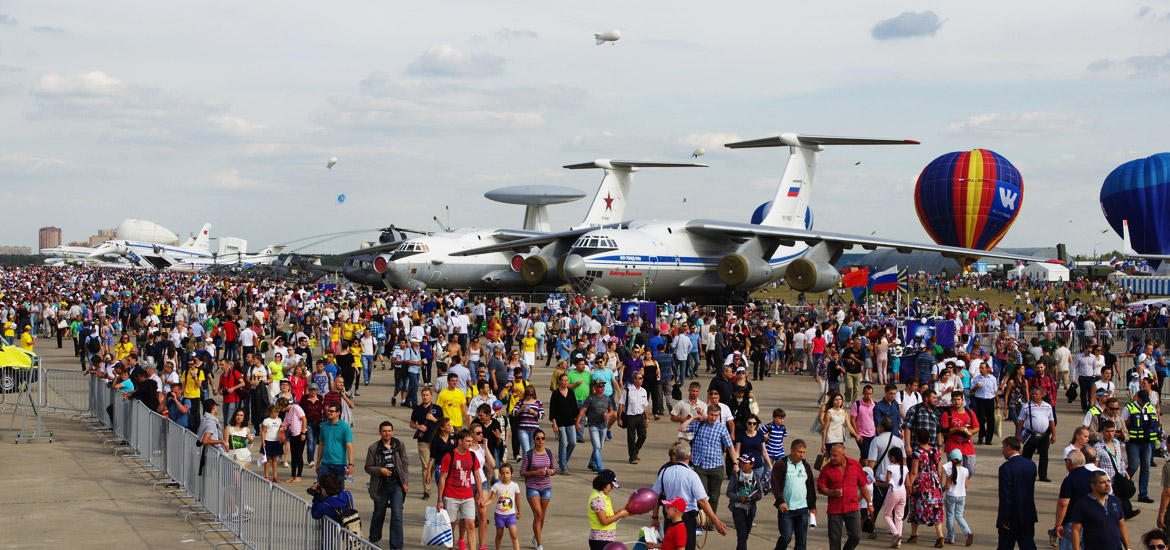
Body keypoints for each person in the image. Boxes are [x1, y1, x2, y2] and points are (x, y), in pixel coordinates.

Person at [651, 441, 729, 550]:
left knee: (669, 545)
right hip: (686, 518)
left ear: (676, 456)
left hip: (669, 515)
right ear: (691, 457)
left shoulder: (665, 471)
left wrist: (654, 517)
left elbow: (655, 495)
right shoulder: (692, 475)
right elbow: (702, 501)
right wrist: (716, 521)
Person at [681, 403, 740, 511]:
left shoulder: (721, 429)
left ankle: (711, 521)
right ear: (707, 414)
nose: (713, 418)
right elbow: (681, 428)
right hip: (700, 466)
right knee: (701, 495)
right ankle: (700, 520)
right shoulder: (699, 424)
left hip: (716, 466)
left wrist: (735, 463)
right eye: (712, 415)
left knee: (714, 496)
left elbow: (730, 447)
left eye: (716, 415)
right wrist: (695, 417)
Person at [816, 442, 873, 550]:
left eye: (835, 455)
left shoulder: (855, 465)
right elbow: (821, 487)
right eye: (831, 454)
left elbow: (862, 485)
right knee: (834, 539)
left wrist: (869, 503)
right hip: (835, 509)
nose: (831, 457)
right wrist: (832, 492)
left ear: (843, 455)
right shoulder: (826, 468)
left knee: (856, 535)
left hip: (852, 507)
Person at [364, 420, 408, 549]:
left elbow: (405, 464)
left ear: (392, 431)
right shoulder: (373, 448)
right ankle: (374, 538)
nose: (387, 433)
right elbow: (368, 467)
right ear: (380, 432)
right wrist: (380, 470)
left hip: (397, 485)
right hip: (381, 485)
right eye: (384, 431)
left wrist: (405, 482)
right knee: (379, 512)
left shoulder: (399, 445)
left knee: (397, 515)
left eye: (389, 431)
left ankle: (396, 546)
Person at [437, 428, 484, 550]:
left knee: (471, 526)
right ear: (459, 441)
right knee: (451, 526)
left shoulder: (472, 456)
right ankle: (451, 547)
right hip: (451, 496)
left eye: (471, 441)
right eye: (468, 441)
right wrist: (439, 499)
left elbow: (477, 476)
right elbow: (442, 479)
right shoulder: (449, 456)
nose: (470, 443)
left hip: (468, 496)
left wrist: (481, 496)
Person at [1069, 470, 1132, 550]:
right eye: (1102, 482)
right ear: (1093, 486)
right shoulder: (1082, 504)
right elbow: (1076, 530)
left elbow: (1122, 526)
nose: (1107, 485)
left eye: (1108, 481)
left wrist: (1128, 548)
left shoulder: (1115, 501)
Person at [772, 438, 817, 550]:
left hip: (802, 509)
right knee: (786, 537)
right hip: (786, 509)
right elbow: (775, 484)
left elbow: (810, 486)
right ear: (792, 451)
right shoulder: (781, 464)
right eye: (799, 452)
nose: (802, 455)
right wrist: (780, 501)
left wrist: (812, 507)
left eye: (803, 452)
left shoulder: (805, 466)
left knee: (801, 540)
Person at [997, 436, 1039, 550]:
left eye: (1003, 448)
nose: (1002, 451)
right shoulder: (1031, 465)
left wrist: (1004, 518)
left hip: (1012, 517)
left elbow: (1006, 495)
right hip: (1027, 513)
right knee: (1028, 544)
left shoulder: (1005, 468)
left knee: (1005, 546)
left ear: (1008, 448)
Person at [906, 428, 945, 547]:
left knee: (916, 506)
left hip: (922, 483)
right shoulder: (936, 452)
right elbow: (940, 470)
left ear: (917, 439)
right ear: (929, 438)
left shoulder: (917, 454)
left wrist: (909, 486)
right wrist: (939, 485)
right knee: (936, 509)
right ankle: (940, 536)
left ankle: (914, 534)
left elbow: (914, 472)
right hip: (934, 483)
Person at [520, 428, 556, 550]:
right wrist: (535, 472)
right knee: (538, 514)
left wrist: (551, 471)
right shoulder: (529, 454)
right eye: (538, 439)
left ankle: (536, 537)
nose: (541, 441)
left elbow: (554, 469)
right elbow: (522, 472)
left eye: (543, 438)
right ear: (534, 440)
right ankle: (539, 544)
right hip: (532, 486)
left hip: (546, 487)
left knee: (542, 516)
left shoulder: (550, 453)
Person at [1126, 389, 1160, 503]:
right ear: (1138, 398)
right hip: (1133, 442)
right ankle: (1122, 487)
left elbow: (1154, 423)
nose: (1145, 403)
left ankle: (1143, 494)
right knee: (1133, 467)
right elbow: (1122, 423)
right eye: (1143, 400)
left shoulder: (1150, 408)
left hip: (1146, 443)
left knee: (1146, 468)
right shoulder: (1129, 407)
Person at [725, 455, 766, 550]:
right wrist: (739, 498)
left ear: (751, 465)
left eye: (744, 463)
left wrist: (756, 497)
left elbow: (759, 494)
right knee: (742, 536)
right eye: (741, 462)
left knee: (745, 536)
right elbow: (729, 492)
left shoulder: (755, 477)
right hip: (738, 509)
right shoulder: (736, 476)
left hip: (750, 510)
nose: (742, 464)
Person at [410, 386, 444, 499]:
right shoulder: (417, 409)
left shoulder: (437, 409)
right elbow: (411, 423)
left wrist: (433, 419)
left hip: (436, 441)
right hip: (423, 441)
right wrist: (418, 426)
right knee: (425, 465)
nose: (425, 397)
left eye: (427, 395)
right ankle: (427, 490)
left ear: (431, 396)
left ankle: (431, 482)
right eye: (423, 395)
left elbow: (443, 423)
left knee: (434, 465)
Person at [1017, 386, 1057, 483]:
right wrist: (1018, 434)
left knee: (1044, 455)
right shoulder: (1027, 406)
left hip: (1044, 435)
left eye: (1036, 394)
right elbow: (1021, 421)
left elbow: (1051, 421)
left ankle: (1043, 475)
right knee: (1027, 455)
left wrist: (1054, 435)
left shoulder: (1047, 406)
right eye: (1033, 394)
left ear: (1042, 395)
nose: (1034, 396)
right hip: (1031, 435)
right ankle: (1025, 473)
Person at [586, 469, 630, 550]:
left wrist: (616, 512)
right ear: (604, 484)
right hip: (600, 540)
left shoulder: (600, 496)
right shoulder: (598, 499)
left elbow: (603, 513)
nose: (612, 488)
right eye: (611, 485)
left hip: (604, 539)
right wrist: (619, 515)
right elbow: (604, 521)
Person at [577, 379, 614, 472]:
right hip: (593, 425)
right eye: (600, 386)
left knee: (599, 447)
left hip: (603, 425)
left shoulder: (607, 398)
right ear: (595, 388)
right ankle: (600, 467)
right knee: (597, 446)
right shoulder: (590, 398)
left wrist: (609, 415)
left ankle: (592, 463)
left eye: (603, 386)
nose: (602, 388)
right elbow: (582, 411)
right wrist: (577, 423)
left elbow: (611, 410)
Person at [314, 404, 355, 489]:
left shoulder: (345, 427)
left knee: (338, 490)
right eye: (328, 411)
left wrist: (350, 464)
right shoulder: (324, 426)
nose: (329, 413)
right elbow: (321, 444)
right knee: (321, 488)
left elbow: (349, 447)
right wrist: (318, 463)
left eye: (332, 411)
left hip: (339, 464)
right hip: (325, 463)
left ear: (338, 413)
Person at [941, 390, 979, 475]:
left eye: (958, 399)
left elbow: (977, 428)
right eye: (954, 400)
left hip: (967, 446)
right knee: (955, 472)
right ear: (951, 401)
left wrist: (970, 432)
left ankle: (962, 485)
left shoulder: (970, 413)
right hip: (953, 446)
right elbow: (943, 432)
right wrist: (957, 429)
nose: (957, 402)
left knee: (970, 470)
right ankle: (956, 486)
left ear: (962, 400)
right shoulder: (947, 414)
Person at [878, 447, 909, 549]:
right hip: (903, 492)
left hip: (893, 492)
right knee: (899, 517)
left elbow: (887, 483)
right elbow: (907, 483)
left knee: (887, 514)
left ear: (893, 457)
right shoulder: (905, 468)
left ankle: (895, 534)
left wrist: (877, 483)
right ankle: (898, 542)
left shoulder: (890, 468)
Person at [941, 449, 973, 546]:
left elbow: (947, 485)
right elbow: (966, 485)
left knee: (950, 517)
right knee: (959, 516)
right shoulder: (965, 470)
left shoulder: (949, 470)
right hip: (962, 495)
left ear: (951, 459)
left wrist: (941, 491)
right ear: (961, 459)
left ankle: (951, 537)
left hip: (951, 495)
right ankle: (968, 532)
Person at [548, 373, 578, 474]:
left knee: (573, 442)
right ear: (560, 381)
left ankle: (562, 460)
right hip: (560, 422)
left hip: (570, 422)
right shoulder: (556, 394)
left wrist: (577, 422)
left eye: (567, 380)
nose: (565, 382)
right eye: (563, 380)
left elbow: (575, 408)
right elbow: (552, 410)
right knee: (563, 443)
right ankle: (563, 467)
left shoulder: (571, 392)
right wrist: (554, 423)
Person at [619, 370, 650, 464]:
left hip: (640, 416)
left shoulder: (643, 391)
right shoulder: (628, 390)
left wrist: (647, 418)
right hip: (630, 417)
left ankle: (636, 450)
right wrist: (619, 418)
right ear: (634, 380)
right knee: (631, 438)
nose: (642, 380)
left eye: (642, 378)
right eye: (640, 378)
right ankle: (632, 457)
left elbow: (646, 406)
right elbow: (621, 404)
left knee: (643, 436)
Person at [490, 463, 521, 550]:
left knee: (514, 534)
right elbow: (491, 499)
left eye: (507, 473)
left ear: (512, 474)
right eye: (503, 473)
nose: (505, 475)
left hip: (511, 514)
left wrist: (519, 511)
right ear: (500, 474)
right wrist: (484, 503)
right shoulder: (496, 486)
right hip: (499, 514)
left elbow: (517, 500)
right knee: (499, 535)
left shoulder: (515, 486)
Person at [279, 397, 307, 483]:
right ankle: (292, 475)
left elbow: (304, 419)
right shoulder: (287, 412)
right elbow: (285, 422)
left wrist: (303, 433)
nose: (280, 409)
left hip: (300, 434)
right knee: (293, 456)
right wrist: (283, 427)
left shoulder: (296, 408)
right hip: (293, 434)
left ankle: (299, 476)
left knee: (299, 455)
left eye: (280, 407)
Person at [970, 362, 998, 445]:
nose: (981, 370)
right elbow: (972, 391)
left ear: (987, 369)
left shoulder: (992, 378)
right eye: (980, 368)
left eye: (982, 368)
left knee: (991, 420)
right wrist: (976, 387)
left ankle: (989, 438)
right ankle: (981, 435)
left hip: (990, 400)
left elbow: (995, 391)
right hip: (980, 400)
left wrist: (997, 402)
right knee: (981, 419)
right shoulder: (976, 379)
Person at [261, 405, 284, 482]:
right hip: (268, 440)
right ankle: (266, 475)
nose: (277, 413)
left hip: (276, 441)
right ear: (270, 412)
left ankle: (275, 475)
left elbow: (281, 429)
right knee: (268, 459)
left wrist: (283, 429)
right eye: (275, 412)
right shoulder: (266, 421)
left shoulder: (279, 420)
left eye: (277, 412)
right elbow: (263, 432)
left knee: (275, 459)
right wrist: (263, 441)